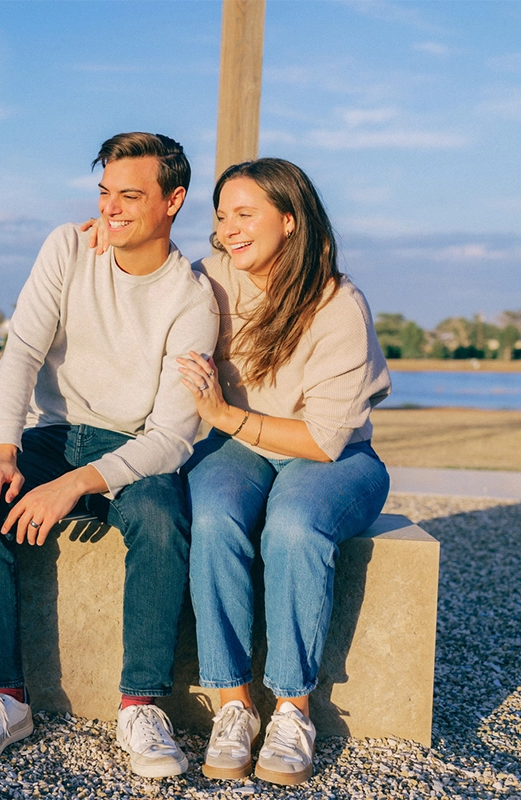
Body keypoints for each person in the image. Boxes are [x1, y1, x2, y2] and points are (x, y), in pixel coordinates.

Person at [0, 132, 218, 779]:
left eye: (130, 196)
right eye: (104, 194)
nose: (111, 209)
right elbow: (22, 353)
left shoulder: (192, 298)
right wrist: (3, 453)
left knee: (161, 519)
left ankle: (141, 706)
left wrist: (72, 486)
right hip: (52, 433)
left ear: (172, 200)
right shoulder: (68, 247)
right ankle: (5, 699)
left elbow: (172, 437)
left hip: (135, 448)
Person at [179, 159, 391, 786]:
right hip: (242, 447)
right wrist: (104, 242)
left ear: (290, 221)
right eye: (222, 216)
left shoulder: (339, 305)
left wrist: (220, 414)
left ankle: (294, 710)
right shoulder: (212, 277)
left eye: (246, 214)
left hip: (337, 457)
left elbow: (324, 441)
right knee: (213, 516)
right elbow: (141, 282)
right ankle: (233, 705)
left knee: (294, 526)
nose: (229, 229)